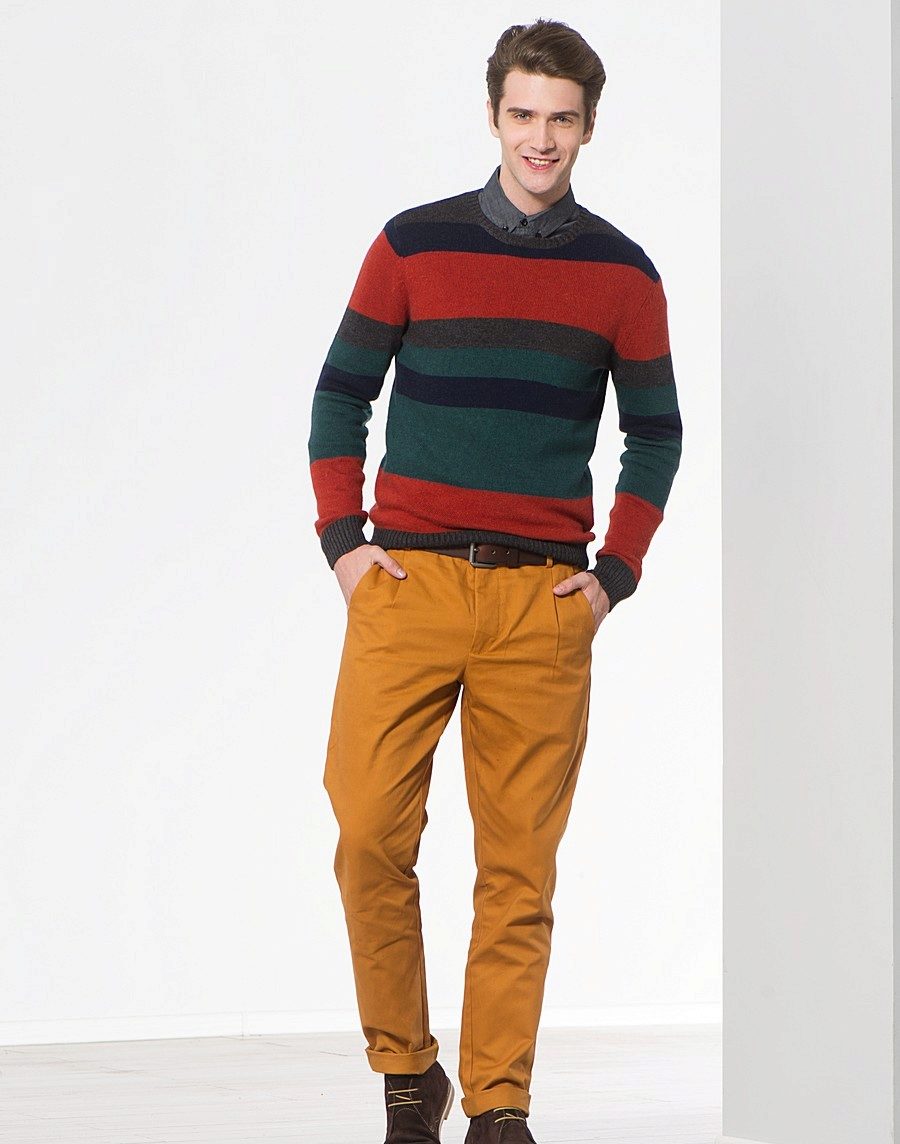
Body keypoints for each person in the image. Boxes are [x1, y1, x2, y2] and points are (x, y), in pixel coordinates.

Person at [307, 17, 682, 1143]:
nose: (541, 138)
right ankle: (407, 1070)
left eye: (562, 119)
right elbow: (341, 392)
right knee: (369, 835)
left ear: (589, 127)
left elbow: (657, 433)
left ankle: (501, 1102)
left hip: (542, 602)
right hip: (408, 584)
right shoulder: (411, 244)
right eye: (523, 114)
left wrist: (615, 576)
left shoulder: (624, 273)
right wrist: (344, 543)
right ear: (493, 115)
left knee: (518, 867)